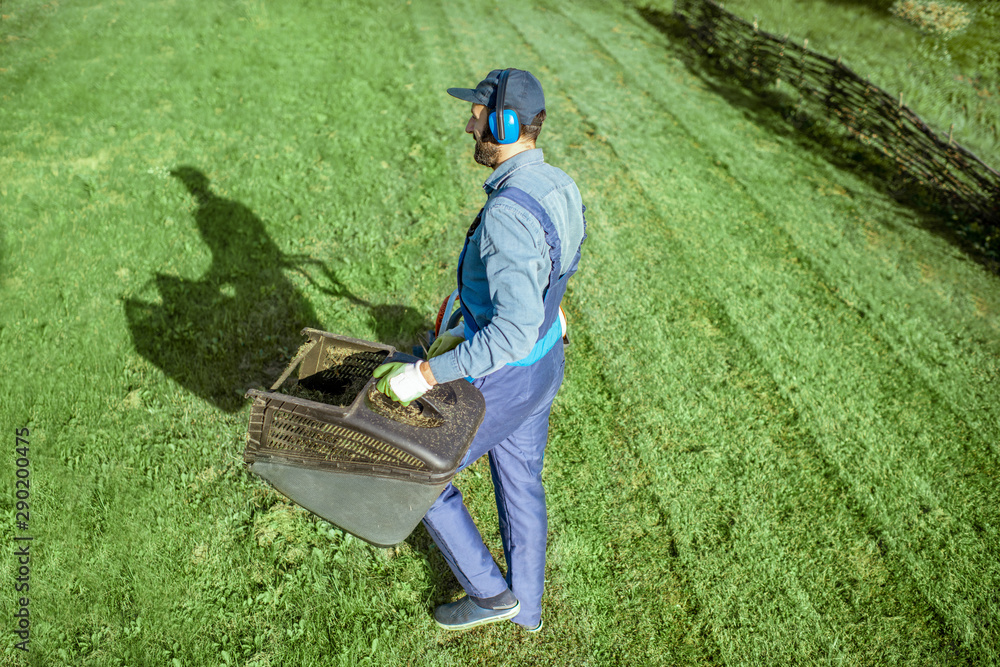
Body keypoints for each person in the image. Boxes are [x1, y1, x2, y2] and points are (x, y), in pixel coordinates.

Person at [373, 68, 586, 632]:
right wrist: (548, 307)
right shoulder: (559, 183)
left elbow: (508, 336)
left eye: (476, 114)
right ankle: (529, 610)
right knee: (521, 480)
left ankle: (492, 597)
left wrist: (425, 374)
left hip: (507, 375)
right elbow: (560, 262)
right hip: (545, 365)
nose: (468, 123)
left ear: (504, 123)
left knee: (414, 467)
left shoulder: (507, 215)